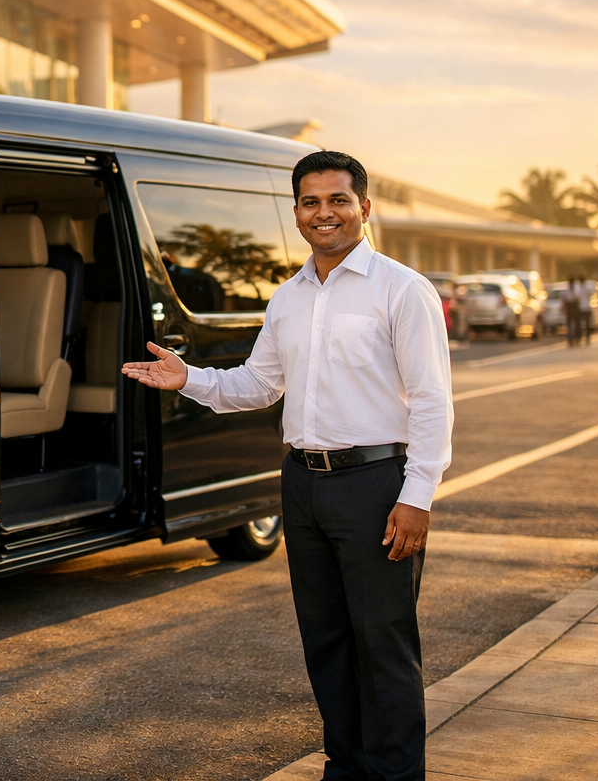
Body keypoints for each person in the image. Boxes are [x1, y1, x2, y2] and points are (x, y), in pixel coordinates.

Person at [122, 151, 452, 781]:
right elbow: (257, 385)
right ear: (296, 211)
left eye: (337, 200)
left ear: (364, 208)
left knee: (382, 645)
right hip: (302, 486)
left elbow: (433, 400)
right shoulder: (288, 298)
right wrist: (188, 378)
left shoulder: (402, 289)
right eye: (310, 202)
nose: (323, 213)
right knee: (327, 642)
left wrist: (418, 496)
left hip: (377, 486)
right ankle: (348, 769)